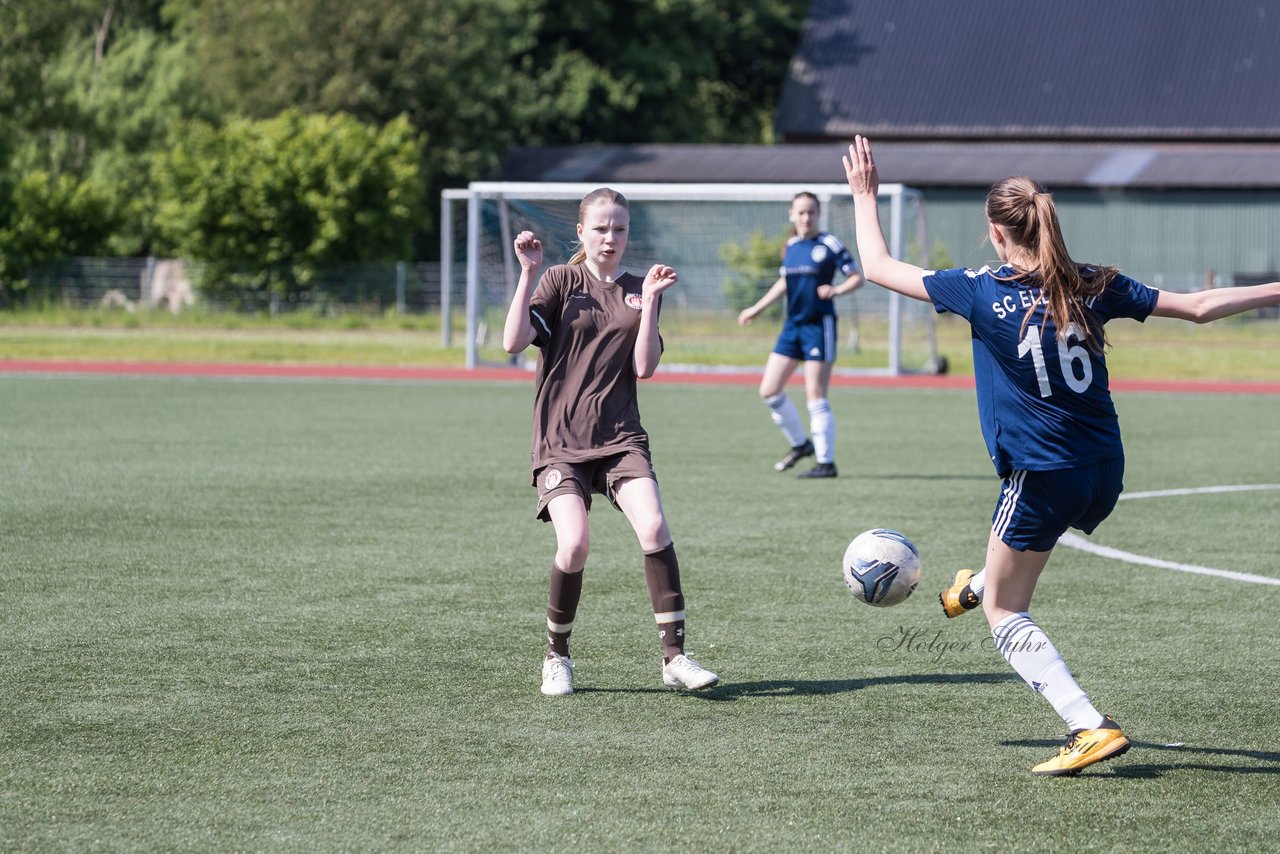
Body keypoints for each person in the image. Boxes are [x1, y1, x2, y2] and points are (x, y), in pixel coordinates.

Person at [843, 135, 1280, 776]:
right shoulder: (1093, 282)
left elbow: (878, 266)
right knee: (1004, 569)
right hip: (1105, 469)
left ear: (995, 231)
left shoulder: (977, 290)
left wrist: (864, 196)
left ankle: (1087, 725)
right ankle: (975, 585)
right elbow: (1201, 307)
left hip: (1043, 475)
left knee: (1006, 612)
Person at [502, 187, 720, 697]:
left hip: (621, 437)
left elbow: (644, 367)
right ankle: (557, 656)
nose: (610, 237)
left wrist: (652, 304)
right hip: (560, 439)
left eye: (619, 229)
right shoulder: (560, 280)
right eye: (600, 228)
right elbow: (512, 342)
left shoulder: (639, 290)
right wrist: (527, 273)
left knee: (655, 527)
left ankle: (675, 658)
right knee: (574, 544)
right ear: (581, 232)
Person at [738, 192, 864, 478]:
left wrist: (836, 290)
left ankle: (826, 463)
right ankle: (801, 444)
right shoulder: (791, 245)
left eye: (811, 212)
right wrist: (756, 309)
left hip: (819, 326)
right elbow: (784, 282)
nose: (806, 218)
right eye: (801, 213)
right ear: (791, 214)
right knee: (769, 390)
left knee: (815, 394)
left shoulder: (829, 244)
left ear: (818, 214)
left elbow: (856, 277)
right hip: (792, 326)